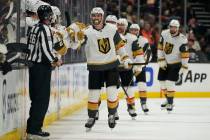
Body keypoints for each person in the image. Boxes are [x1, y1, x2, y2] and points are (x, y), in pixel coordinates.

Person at [69, 7, 132, 130]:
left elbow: (119, 46)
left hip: (111, 66)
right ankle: (92, 116)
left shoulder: (112, 29)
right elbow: (75, 46)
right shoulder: (86, 31)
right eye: (94, 15)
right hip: (95, 67)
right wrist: (74, 37)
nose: (96, 18)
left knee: (112, 92)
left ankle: (112, 114)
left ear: (102, 17)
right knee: (93, 94)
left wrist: (125, 58)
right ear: (91, 17)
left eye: (98, 15)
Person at [26, 5, 62, 140]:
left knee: (35, 98)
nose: (52, 16)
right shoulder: (45, 29)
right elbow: (46, 49)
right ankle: (34, 131)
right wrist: (56, 60)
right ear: (48, 15)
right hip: (42, 67)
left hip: (33, 66)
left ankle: (32, 129)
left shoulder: (35, 27)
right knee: (41, 99)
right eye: (51, 14)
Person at [157, 19, 189, 113]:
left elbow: (185, 55)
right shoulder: (164, 33)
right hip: (165, 62)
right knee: (162, 82)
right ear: (169, 27)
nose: (173, 28)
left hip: (176, 64)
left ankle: (170, 103)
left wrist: (184, 66)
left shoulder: (182, 39)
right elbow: (160, 47)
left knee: (169, 83)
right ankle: (168, 99)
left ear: (178, 28)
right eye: (171, 27)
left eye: (175, 27)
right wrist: (161, 59)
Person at [135, 24, 151, 115]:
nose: (134, 31)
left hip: (140, 65)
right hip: (128, 65)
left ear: (139, 31)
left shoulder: (144, 40)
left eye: (136, 30)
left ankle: (143, 103)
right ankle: (130, 106)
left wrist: (144, 61)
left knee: (142, 85)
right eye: (132, 30)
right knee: (126, 87)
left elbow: (149, 54)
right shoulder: (125, 38)